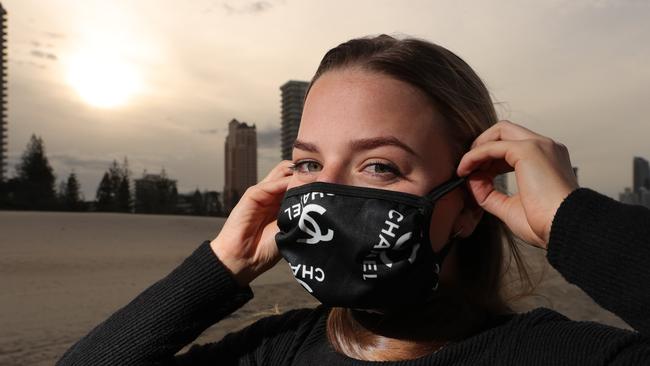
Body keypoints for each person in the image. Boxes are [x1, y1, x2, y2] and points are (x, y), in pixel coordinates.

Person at [57, 34, 650, 365]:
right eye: (309, 163)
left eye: (380, 167)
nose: (327, 191)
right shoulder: (278, 351)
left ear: (468, 203)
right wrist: (222, 265)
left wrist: (573, 223)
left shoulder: (553, 355)